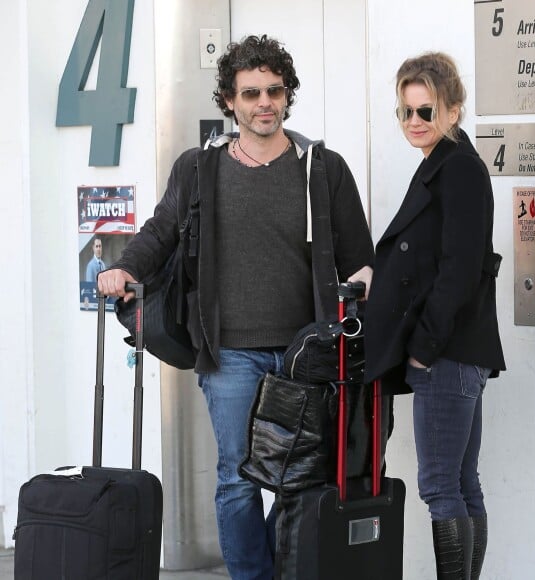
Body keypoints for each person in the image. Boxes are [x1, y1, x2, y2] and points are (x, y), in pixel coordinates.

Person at [97, 34, 374, 580]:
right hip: (229, 356)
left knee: (301, 478)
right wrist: (127, 267)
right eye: (250, 93)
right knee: (238, 478)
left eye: (274, 90)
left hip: (307, 355)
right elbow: (161, 231)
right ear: (229, 100)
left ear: (288, 94)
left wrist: (364, 289)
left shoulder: (323, 168)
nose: (264, 102)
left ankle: (285, 569)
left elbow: (359, 256)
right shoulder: (200, 168)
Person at [364, 52, 506, 580]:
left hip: (447, 351)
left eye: (427, 110)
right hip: (457, 349)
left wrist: (423, 347)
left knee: (442, 485)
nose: (415, 122)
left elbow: (460, 270)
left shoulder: (459, 169)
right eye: (406, 112)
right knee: (462, 481)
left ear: (453, 109)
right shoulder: (444, 165)